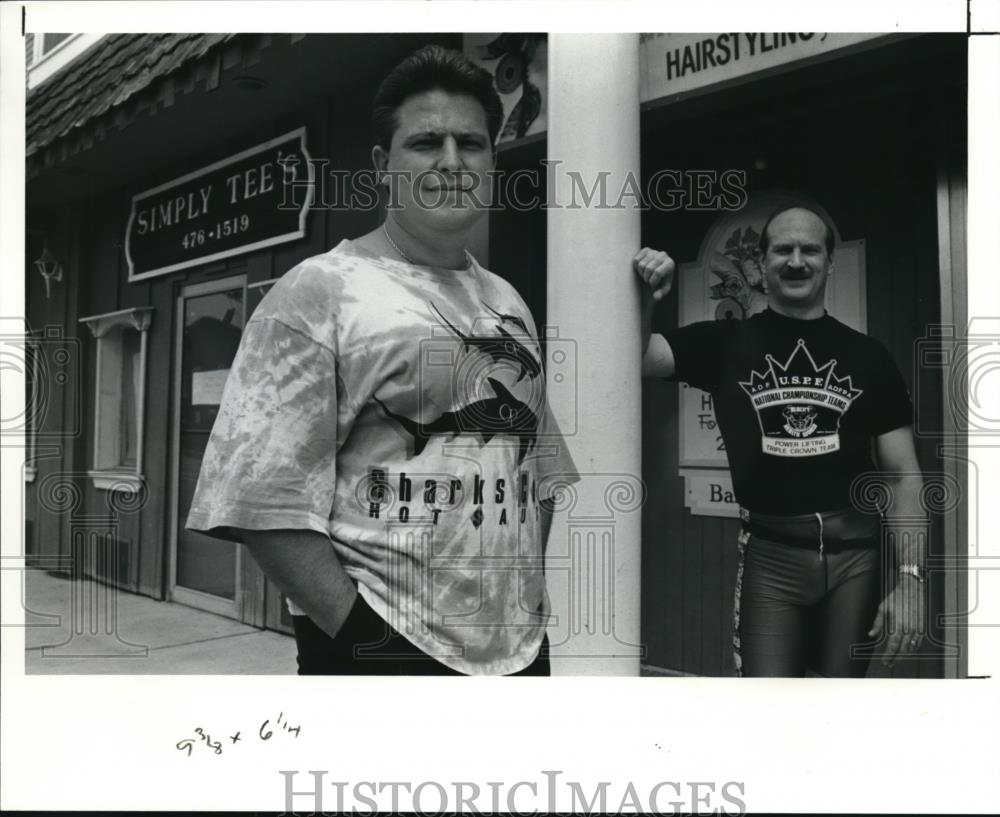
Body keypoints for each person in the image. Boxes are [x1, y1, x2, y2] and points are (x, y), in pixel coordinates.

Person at [186, 45, 583, 675]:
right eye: (427, 143)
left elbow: (537, 466)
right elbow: (263, 503)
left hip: (518, 653)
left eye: (471, 144)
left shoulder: (507, 300)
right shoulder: (319, 292)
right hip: (383, 647)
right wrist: (362, 638)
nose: (452, 162)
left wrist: (522, 601)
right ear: (383, 164)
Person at [634, 207, 927, 677]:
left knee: (840, 707)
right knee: (765, 707)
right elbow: (640, 357)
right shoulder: (726, 341)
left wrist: (911, 579)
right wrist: (645, 296)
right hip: (772, 559)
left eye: (810, 249)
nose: (796, 261)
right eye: (782, 250)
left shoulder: (869, 356)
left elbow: (902, 473)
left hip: (857, 557)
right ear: (761, 264)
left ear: (830, 262)